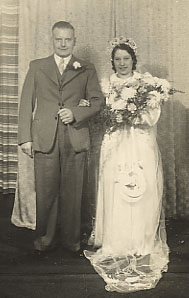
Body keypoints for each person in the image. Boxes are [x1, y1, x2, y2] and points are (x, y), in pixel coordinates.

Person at [84, 37, 170, 292]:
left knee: (142, 187)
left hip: (140, 142)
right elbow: (101, 114)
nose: (122, 63)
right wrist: (117, 114)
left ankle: (141, 241)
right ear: (113, 62)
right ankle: (116, 240)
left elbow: (153, 117)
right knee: (116, 186)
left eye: (126, 58)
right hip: (116, 142)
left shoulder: (147, 84)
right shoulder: (105, 85)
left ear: (134, 60)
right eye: (117, 59)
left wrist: (133, 113)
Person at [18, 21, 104, 256]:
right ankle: (45, 241)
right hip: (44, 138)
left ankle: (72, 242)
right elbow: (26, 103)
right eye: (59, 39)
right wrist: (25, 138)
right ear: (52, 40)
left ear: (74, 41)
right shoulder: (37, 66)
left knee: (73, 192)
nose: (63, 44)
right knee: (45, 192)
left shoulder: (86, 68)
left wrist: (75, 112)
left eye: (68, 39)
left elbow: (98, 101)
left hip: (75, 137)